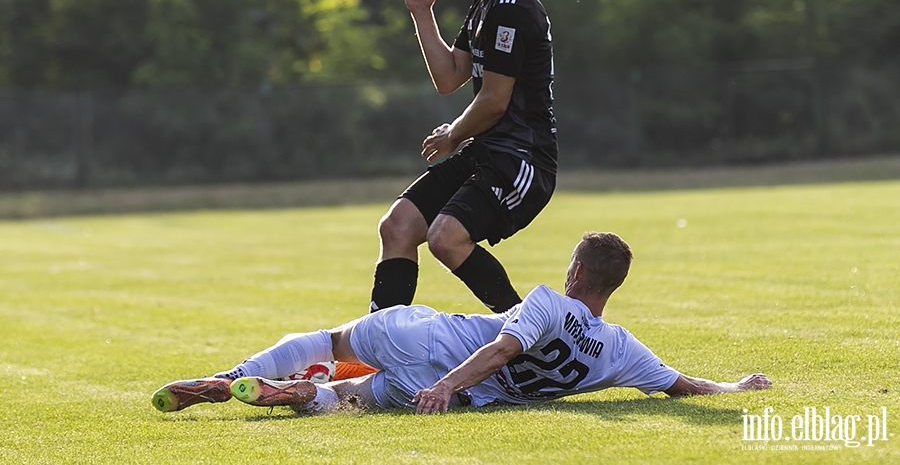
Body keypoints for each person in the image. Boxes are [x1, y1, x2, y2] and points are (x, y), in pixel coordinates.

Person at [151, 232, 771, 415]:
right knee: (352, 397)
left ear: (577, 273)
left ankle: (228, 378)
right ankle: (301, 397)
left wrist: (445, 382)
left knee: (328, 341)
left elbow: (503, 346)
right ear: (613, 287)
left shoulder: (549, 301)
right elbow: (680, 386)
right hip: (457, 395)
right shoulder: (619, 351)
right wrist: (736, 388)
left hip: (438, 345)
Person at [370, 0, 558, 314]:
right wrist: (422, 14)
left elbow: (494, 101)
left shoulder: (512, 8)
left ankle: (529, 343)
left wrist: (452, 134)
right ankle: (380, 346)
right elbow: (450, 76)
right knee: (397, 226)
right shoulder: (487, 2)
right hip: (488, 151)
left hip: (523, 160)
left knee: (445, 238)